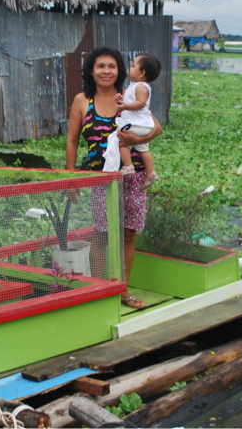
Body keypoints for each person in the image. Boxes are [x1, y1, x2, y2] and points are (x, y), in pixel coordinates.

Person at [65, 47, 162, 309]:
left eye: (112, 66)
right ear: (92, 71)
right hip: (102, 177)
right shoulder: (83, 100)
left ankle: (122, 290)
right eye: (100, 66)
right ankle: (99, 290)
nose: (106, 71)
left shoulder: (128, 96)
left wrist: (137, 140)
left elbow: (157, 128)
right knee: (101, 235)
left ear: (119, 71)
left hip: (133, 174)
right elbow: (72, 141)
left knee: (129, 234)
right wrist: (71, 178)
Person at [115, 54, 161, 189]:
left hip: (137, 124)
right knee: (143, 149)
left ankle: (128, 165)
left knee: (122, 140)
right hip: (143, 125)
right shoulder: (136, 85)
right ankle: (151, 172)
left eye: (133, 66)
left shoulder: (140, 86)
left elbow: (140, 103)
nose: (130, 68)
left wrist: (125, 106)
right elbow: (130, 99)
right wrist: (121, 98)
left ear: (142, 73)